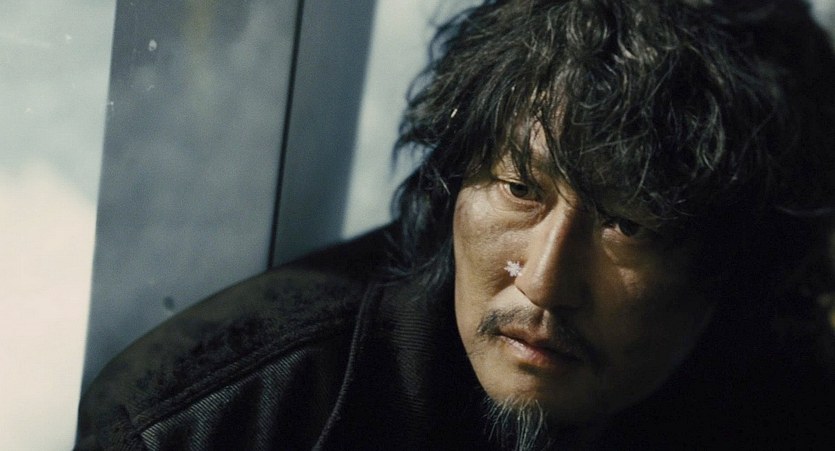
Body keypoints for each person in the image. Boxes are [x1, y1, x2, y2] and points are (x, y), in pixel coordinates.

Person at [76, 0, 835, 449]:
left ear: (738, 262)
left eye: (628, 225)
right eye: (518, 188)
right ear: (452, 183)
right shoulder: (214, 424)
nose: (542, 282)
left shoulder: (784, 410)